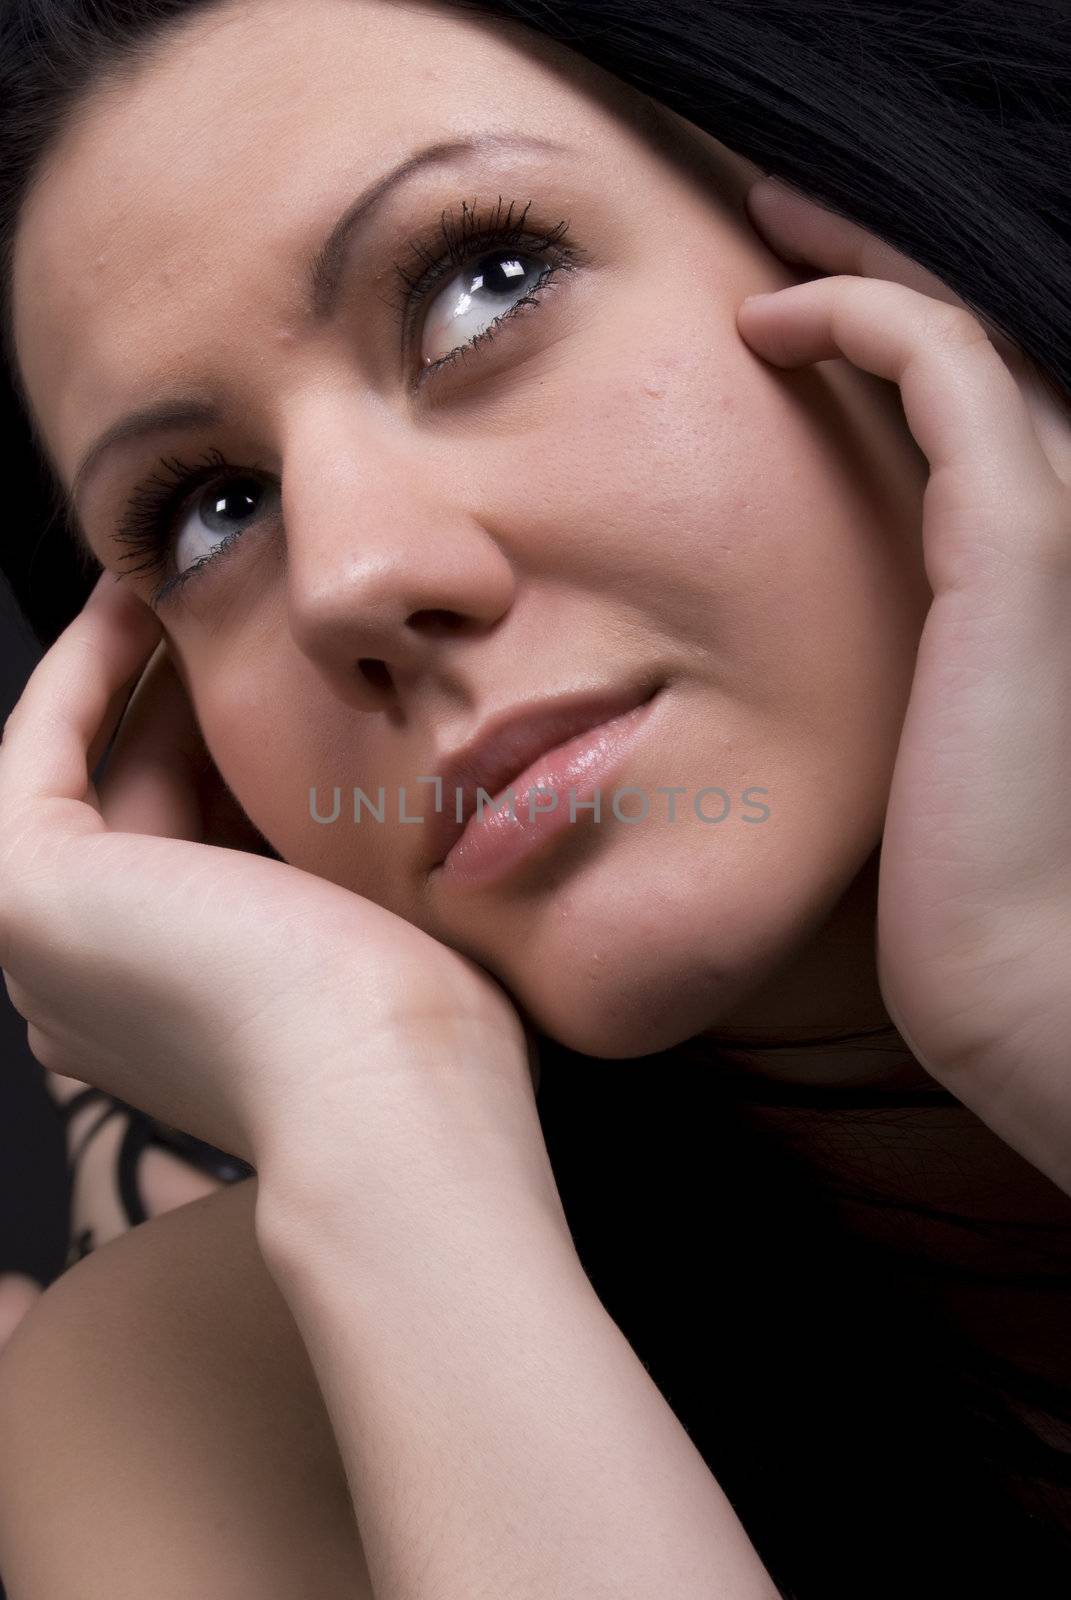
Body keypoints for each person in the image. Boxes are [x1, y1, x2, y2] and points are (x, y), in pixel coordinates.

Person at [0, 1, 1068, 1595]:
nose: (354, 579)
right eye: (217, 513)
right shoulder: (189, 1399)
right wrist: (380, 1109)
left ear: (885, 252)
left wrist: (1039, 984)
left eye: (481, 285)